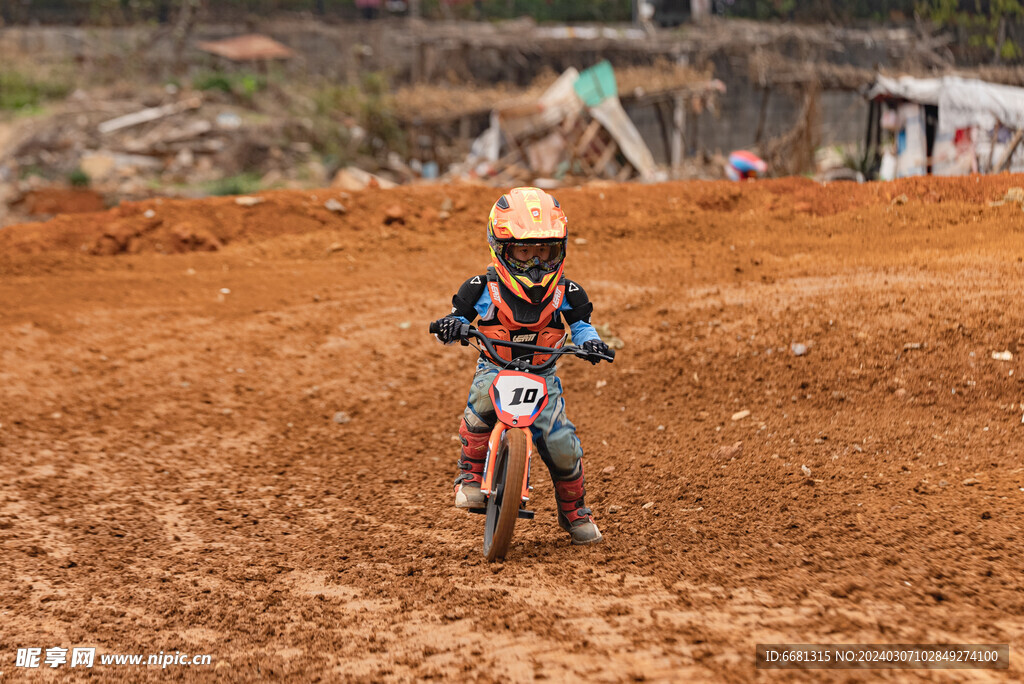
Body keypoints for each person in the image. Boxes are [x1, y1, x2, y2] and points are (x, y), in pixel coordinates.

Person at [431, 187, 611, 545]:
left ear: (559, 249)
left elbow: (581, 325)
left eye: (545, 251)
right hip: (495, 367)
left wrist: (591, 342)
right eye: (525, 252)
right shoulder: (481, 288)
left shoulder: (568, 291)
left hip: (543, 376)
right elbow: (452, 322)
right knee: (481, 403)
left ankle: (575, 512)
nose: (536, 263)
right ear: (501, 248)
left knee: (562, 444)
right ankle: (469, 477)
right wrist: (451, 327)